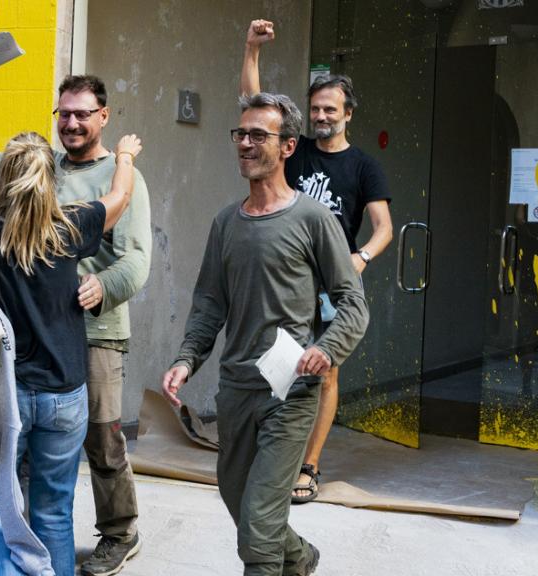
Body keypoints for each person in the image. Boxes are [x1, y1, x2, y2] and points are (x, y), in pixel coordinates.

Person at [162, 92, 368, 576]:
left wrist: (326, 348)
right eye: (241, 134)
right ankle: (300, 558)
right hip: (236, 389)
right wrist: (186, 359)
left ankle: (279, 562)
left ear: (289, 146)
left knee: (257, 534)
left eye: (259, 135)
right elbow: (210, 304)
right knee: (244, 506)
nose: (246, 143)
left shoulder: (312, 219)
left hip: (290, 392)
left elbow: (353, 304)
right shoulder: (226, 223)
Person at [0, 69, 151, 576]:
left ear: (102, 117)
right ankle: (37, 546)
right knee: (50, 484)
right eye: (63, 114)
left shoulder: (116, 178)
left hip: (94, 332)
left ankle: (118, 532)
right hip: (41, 352)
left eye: (82, 114)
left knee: (103, 441)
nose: (71, 123)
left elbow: (135, 259)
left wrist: (103, 286)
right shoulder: (48, 172)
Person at [241, 19, 393, 503]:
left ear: (348, 113)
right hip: (286, 278)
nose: (321, 115)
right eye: (315, 109)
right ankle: (272, 453)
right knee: (273, 362)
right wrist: (252, 51)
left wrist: (360, 257)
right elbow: (254, 106)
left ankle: (309, 465)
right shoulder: (296, 150)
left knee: (325, 371)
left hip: (331, 284)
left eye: (330, 109)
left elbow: (384, 227)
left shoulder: (364, 166)